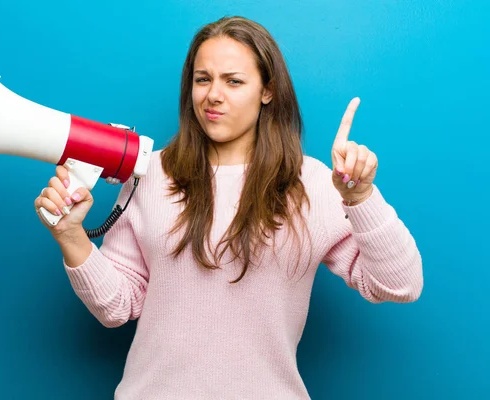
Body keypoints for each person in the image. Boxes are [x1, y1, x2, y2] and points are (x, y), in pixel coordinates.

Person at [33, 16, 423, 400]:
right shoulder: (149, 173)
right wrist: (71, 236)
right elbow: (117, 306)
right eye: (203, 79)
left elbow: (400, 285)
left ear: (267, 90)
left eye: (233, 81)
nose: (212, 95)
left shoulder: (312, 182)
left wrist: (360, 197)